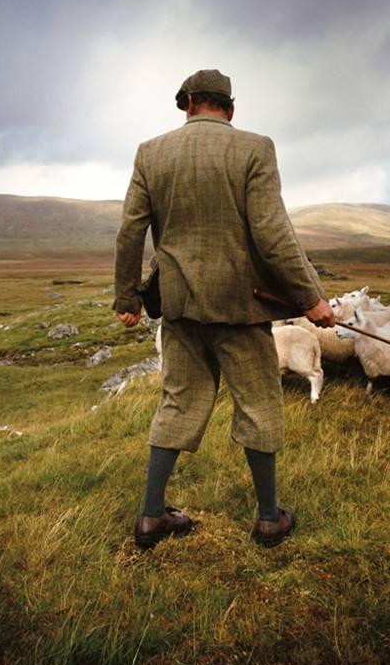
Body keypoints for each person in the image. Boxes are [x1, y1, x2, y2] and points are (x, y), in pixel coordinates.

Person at [113, 69, 334, 549]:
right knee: (259, 407)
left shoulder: (151, 153)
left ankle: (151, 517)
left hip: (180, 308)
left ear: (188, 102)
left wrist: (127, 298)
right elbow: (273, 234)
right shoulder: (255, 148)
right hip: (241, 308)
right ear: (230, 109)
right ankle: (270, 519)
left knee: (178, 402)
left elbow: (130, 231)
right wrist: (310, 298)